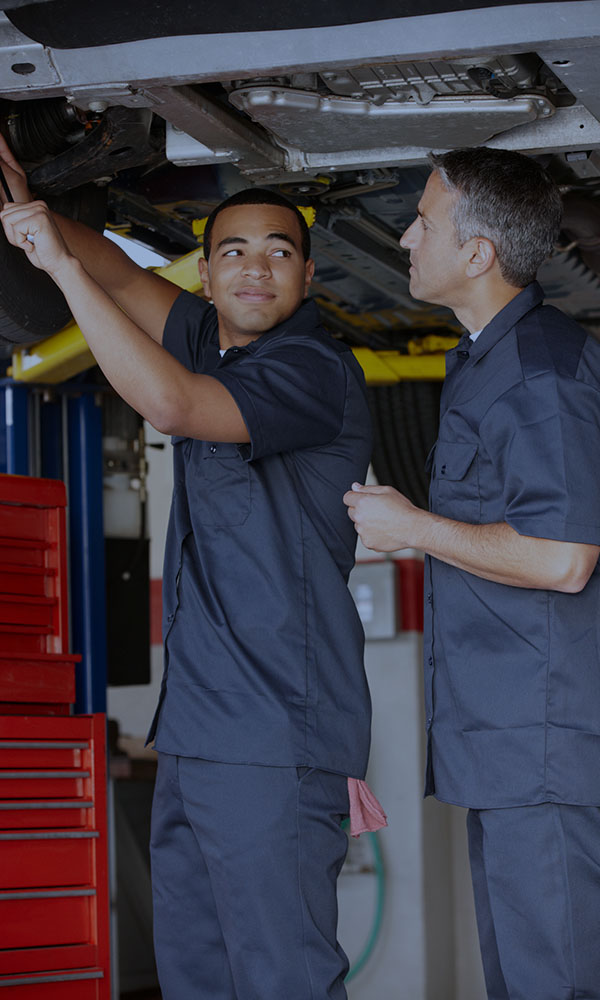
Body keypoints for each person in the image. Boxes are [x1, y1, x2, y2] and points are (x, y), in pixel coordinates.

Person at [0, 138, 379, 999]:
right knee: (198, 977)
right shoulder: (213, 338)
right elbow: (126, 278)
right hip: (203, 737)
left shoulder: (312, 369)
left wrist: (59, 271)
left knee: (280, 979)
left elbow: (172, 403)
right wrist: (28, 211)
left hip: (276, 737)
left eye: (279, 252)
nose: (255, 269)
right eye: (233, 252)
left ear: (309, 277)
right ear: (205, 276)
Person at [344, 146, 600, 1000]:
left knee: (553, 981)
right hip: (509, 750)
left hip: (545, 753)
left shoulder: (539, 374)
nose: (409, 235)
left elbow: (563, 559)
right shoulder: (487, 361)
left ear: (480, 252)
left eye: (424, 219)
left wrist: (416, 526)